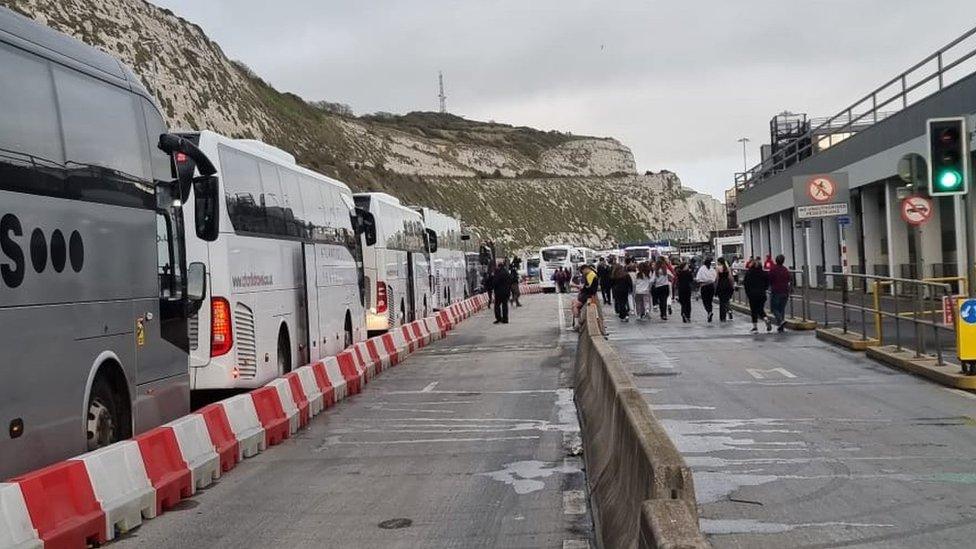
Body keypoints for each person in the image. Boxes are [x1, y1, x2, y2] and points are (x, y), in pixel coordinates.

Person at [744, 261, 772, 332]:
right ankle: (766, 319)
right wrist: (764, 289)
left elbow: (746, 284)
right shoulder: (764, 273)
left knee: (753, 310)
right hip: (761, 294)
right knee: (760, 309)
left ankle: (755, 327)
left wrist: (748, 293)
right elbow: (767, 283)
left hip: (752, 294)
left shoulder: (749, 273)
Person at [768, 254, 791, 332]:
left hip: (776, 291)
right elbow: (789, 279)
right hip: (785, 291)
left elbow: (770, 279)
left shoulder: (773, 269)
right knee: (781, 309)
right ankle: (781, 325)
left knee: (774, 308)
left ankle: (780, 321)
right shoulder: (785, 269)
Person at [572, 263, 600, 328]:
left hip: (588, 295)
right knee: (574, 303)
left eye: (582, 272)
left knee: (575, 306)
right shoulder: (591, 274)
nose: (582, 273)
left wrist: (581, 287)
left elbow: (588, 287)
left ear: (585, 269)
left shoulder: (590, 275)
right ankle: (577, 321)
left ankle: (577, 323)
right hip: (588, 294)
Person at [716, 257, 735, 322]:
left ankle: (722, 317)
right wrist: (732, 285)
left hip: (721, 285)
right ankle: (729, 310)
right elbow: (730, 277)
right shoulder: (728, 268)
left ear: (719, 262)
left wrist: (716, 286)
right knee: (727, 300)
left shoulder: (718, 268)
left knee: (721, 302)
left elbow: (717, 278)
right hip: (727, 285)